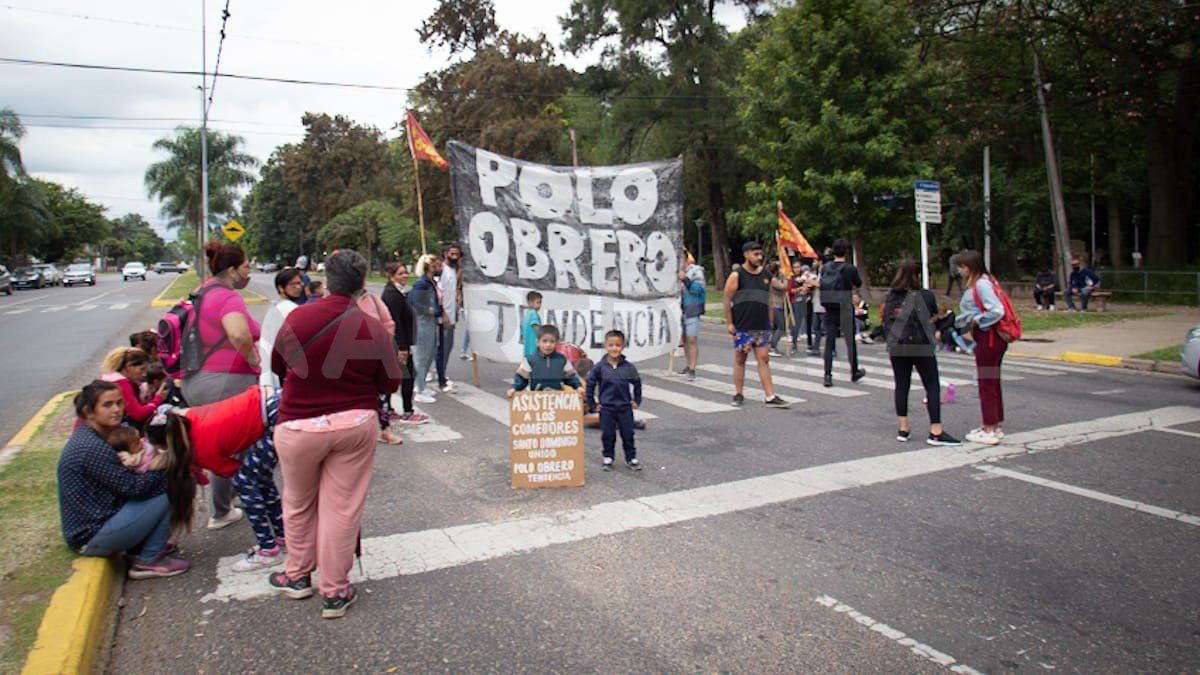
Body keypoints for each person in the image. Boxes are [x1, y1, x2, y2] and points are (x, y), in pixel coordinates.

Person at [267, 249, 403, 619]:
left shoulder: (299, 318)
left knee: (297, 502)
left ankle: (296, 576)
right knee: (341, 509)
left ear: (326, 281)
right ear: (361, 286)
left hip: (298, 425)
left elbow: (279, 365)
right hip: (355, 425)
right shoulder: (372, 328)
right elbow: (390, 381)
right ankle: (335, 591)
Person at [145, 385, 286, 572]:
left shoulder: (201, 448)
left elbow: (234, 473)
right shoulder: (189, 419)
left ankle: (269, 550)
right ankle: (282, 535)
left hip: (275, 415)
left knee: (246, 482)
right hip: (274, 402)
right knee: (260, 478)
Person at [57, 381, 188, 579]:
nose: (117, 410)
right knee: (170, 485)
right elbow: (135, 488)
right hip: (91, 535)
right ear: (88, 411)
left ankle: (144, 546)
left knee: (166, 481)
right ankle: (149, 558)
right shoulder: (90, 448)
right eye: (107, 405)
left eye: (119, 403)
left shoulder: (101, 434)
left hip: (104, 519)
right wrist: (159, 466)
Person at [182, 241, 260, 532]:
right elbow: (239, 334)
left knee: (218, 443)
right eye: (245, 267)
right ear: (231, 270)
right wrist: (252, 359)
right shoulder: (228, 297)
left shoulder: (202, 293)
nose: (248, 272)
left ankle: (225, 501)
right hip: (226, 381)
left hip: (197, 379)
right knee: (231, 445)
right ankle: (221, 510)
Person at [881, 260, 962, 446]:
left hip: (897, 346)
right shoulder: (925, 295)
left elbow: (886, 318)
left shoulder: (892, 295)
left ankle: (903, 428)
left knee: (901, 386)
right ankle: (936, 430)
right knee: (932, 385)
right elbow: (933, 315)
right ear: (918, 276)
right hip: (921, 344)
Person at [722, 241, 789, 408]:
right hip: (743, 324)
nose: (759, 257)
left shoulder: (766, 274)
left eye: (760, 254)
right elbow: (727, 299)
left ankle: (770, 395)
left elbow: (770, 297)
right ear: (746, 255)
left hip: (762, 324)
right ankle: (738, 393)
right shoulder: (737, 275)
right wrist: (730, 322)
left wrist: (771, 319)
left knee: (764, 358)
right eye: (755, 254)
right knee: (740, 358)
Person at [955, 250, 1007, 446]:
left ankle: (990, 428)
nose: (960, 271)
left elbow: (996, 310)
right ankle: (994, 424)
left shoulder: (982, 284)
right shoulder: (986, 281)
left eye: (962, 267)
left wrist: (976, 321)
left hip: (989, 337)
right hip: (990, 338)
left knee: (986, 381)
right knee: (991, 380)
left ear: (971, 267)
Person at [585, 329, 643, 471]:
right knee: (608, 434)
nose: (614, 348)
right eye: (611, 345)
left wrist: (637, 399)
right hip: (607, 408)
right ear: (605, 346)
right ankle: (608, 456)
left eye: (617, 345)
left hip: (624, 407)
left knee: (628, 434)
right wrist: (592, 404)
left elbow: (637, 383)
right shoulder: (599, 367)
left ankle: (631, 457)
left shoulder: (628, 367)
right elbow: (590, 385)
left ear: (622, 347)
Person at [381, 262, 430, 426]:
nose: (404, 276)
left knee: (393, 376)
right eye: (400, 274)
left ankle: (387, 409)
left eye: (405, 273)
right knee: (407, 375)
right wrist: (402, 347)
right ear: (391, 275)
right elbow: (395, 324)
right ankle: (407, 411)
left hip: (398, 343)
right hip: (397, 344)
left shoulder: (398, 292)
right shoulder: (392, 295)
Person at [353, 283, 403, 445]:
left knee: (380, 395)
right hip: (348, 359)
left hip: (373, 356)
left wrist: (383, 345)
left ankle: (383, 430)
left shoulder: (373, 300)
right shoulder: (337, 301)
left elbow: (389, 323)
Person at [819, 238, 867, 387]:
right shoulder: (849, 268)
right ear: (846, 251)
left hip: (829, 308)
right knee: (850, 342)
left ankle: (827, 375)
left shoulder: (826, 267)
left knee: (829, 342)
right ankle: (854, 372)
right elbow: (858, 283)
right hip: (845, 307)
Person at [506, 324, 583, 397]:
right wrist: (514, 388)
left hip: (558, 400)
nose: (548, 345)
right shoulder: (529, 360)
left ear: (557, 343)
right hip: (536, 400)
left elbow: (571, 378)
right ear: (537, 342)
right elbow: (521, 379)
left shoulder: (562, 360)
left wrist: (578, 387)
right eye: (544, 341)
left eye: (552, 342)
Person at [258, 268, 305, 388]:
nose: (298, 287)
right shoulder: (292, 310)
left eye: (300, 283)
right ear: (281, 288)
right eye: (293, 284)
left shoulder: (274, 308)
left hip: (267, 371)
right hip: (283, 372)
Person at [99, 347, 168, 425]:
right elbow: (138, 414)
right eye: (141, 369)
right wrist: (158, 399)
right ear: (129, 366)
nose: (144, 374)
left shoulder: (109, 378)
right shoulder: (121, 384)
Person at [410, 254, 443, 405]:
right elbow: (414, 301)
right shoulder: (421, 283)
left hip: (431, 321)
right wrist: (428, 310)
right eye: (435, 264)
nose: (438, 266)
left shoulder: (431, 282)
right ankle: (419, 388)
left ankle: (422, 384)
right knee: (422, 356)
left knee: (430, 353)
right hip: (423, 322)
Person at [435, 243, 463, 394]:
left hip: (452, 315)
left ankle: (442, 374)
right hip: (442, 317)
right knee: (442, 349)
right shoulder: (441, 270)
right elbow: (437, 292)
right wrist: (442, 312)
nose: (454, 257)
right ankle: (441, 380)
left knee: (448, 347)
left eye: (457, 254)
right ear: (445, 253)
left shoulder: (455, 270)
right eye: (452, 254)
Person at [678, 252, 706, 381]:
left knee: (691, 338)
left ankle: (693, 368)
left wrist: (685, 279)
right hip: (678, 310)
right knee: (684, 339)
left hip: (692, 309)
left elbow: (698, 290)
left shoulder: (696, 271)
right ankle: (688, 364)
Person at [767, 261, 790, 357]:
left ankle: (770, 344)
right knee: (781, 327)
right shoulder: (772, 280)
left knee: (775, 328)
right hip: (775, 305)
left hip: (778, 305)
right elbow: (784, 287)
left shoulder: (775, 279)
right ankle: (772, 346)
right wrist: (785, 277)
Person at [522, 291, 543, 360]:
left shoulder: (526, 315)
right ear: (530, 303)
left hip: (527, 350)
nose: (540, 305)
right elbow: (536, 328)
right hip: (534, 349)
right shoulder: (534, 314)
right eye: (538, 303)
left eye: (540, 303)